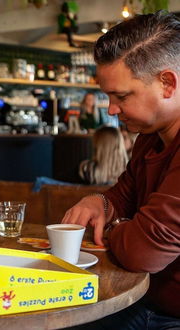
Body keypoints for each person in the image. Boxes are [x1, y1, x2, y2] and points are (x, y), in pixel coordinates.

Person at [62, 11, 180, 328]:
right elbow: (124, 193)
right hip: (141, 298)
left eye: (122, 96)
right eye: (108, 97)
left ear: (167, 84)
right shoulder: (148, 136)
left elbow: (144, 251)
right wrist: (98, 202)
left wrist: (115, 225)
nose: (112, 110)